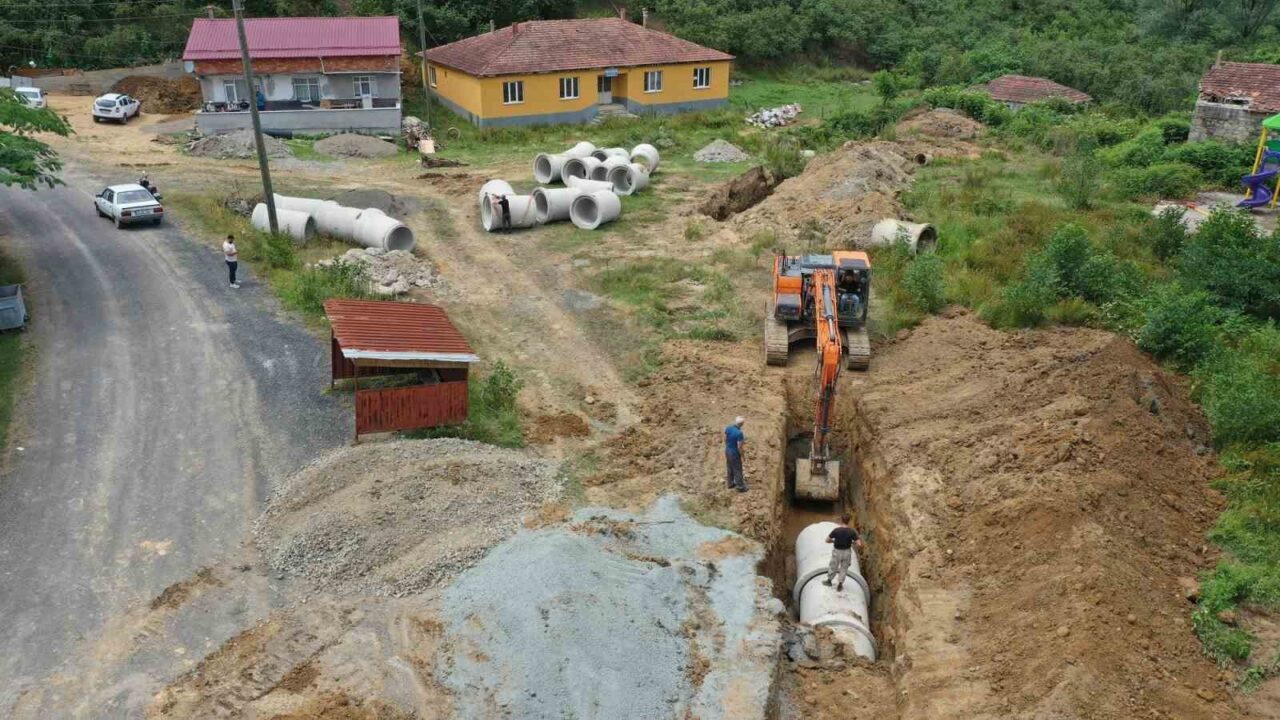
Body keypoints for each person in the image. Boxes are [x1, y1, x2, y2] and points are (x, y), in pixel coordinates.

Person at [822, 514, 865, 592]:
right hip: (847, 552)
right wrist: (853, 542)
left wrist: (833, 541)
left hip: (837, 552)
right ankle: (840, 584)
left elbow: (827, 540)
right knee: (844, 568)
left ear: (841, 520)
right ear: (849, 521)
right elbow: (859, 544)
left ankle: (829, 581)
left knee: (833, 566)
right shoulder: (852, 532)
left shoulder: (836, 530)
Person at [724, 416, 747, 493]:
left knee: (729, 467)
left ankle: (730, 483)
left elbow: (725, 438)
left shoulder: (728, 428)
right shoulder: (739, 433)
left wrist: (728, 445)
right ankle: (740, 487)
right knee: (737, 469)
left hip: (727, 450)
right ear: (742, 424)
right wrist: (742, 455)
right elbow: (739, 446)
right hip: (734, 453)